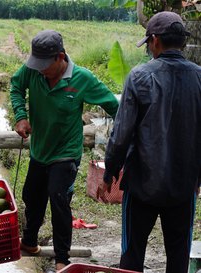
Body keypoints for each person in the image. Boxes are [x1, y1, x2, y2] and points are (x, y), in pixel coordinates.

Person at [98, 11, 201, 273]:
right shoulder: (199, 77)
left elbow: (121, 135)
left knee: (132, 252)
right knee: (178, 255)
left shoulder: (140, 76)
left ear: (154, 40)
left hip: (142, 185)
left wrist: (109, 172)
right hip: (183, 186)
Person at [10, 29, 119, 271]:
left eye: (44, 65)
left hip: (66, 153)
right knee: (32, 196)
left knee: (58, 199)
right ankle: (29, 242)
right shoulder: (33, 69)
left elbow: (115, 107)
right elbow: (16, 86)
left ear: (60, 57)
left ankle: (62, 259)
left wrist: (128, 136)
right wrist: (20, 116)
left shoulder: (83, 78)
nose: (39, 70)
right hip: (40, 150)